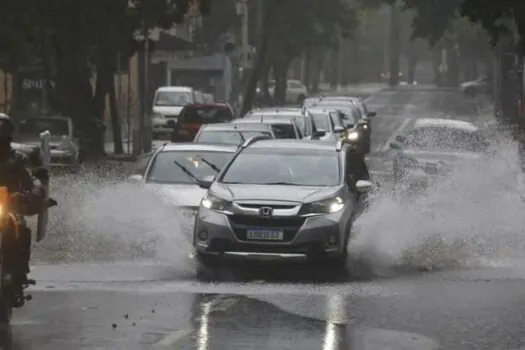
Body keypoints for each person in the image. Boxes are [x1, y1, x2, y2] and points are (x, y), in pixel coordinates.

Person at [0, 114, 52, 306]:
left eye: (3, 140)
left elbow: (32, 180)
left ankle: (18, 274)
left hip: (9, 207)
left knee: (21, 230)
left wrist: (35, 193)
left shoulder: (18, 159)